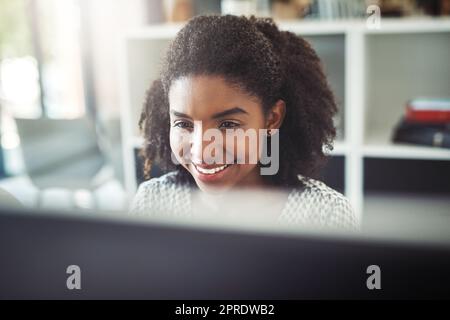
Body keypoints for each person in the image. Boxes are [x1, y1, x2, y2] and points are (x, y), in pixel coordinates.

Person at [130, 14, 358, 229]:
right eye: (184, 124)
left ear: (272, 118)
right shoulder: (153, 204)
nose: (202, 150)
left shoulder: (326, 216)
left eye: (228, 125)